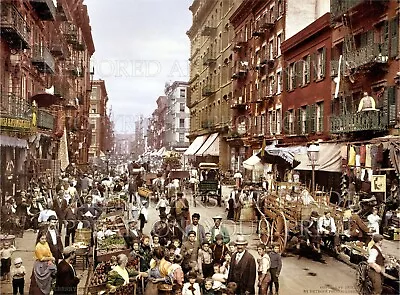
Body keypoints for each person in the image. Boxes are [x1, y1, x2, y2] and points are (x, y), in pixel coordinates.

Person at [29, 231, 57, 295]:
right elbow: (41, 258)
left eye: (45, 238)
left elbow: (49, 252)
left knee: (52, 274)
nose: (44, 240)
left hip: (48, 262)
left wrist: (51, 259)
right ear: (39, 239)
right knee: (39, 281)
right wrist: (50, 258)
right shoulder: (38, 247)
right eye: (42, 239)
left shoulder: (46, 243)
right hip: (40, 265)